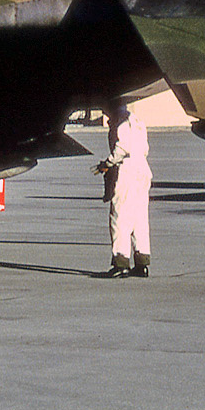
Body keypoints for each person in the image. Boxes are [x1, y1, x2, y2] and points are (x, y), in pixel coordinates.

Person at [93, 102, 152, 278]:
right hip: (143, 169)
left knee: (119, 218)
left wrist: (107, 163)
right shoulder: (138, 122)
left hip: (126, 170)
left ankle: (121, 263)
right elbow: (145, 149)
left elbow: (122, 148)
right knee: (140, 218)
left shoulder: (120, 122)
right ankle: (142, 263)